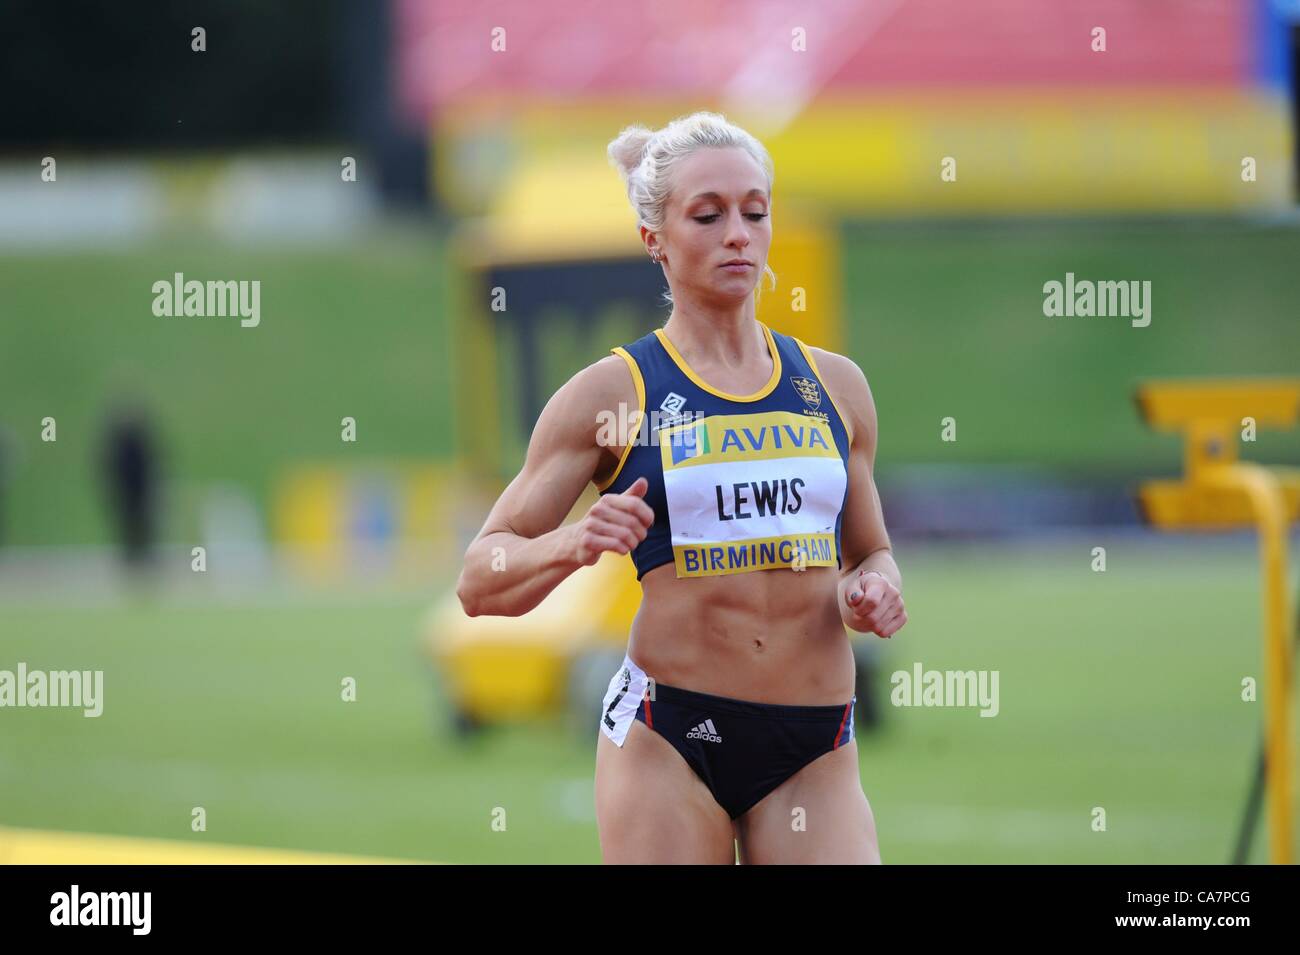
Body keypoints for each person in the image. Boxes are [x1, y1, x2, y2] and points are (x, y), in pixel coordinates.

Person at [456, 111, 906, 864]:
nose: (738, 233)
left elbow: (873, 553)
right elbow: (479, 579)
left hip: (814, 742)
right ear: (653, 238)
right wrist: (574, 541)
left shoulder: (837, 388)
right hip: (668, 738)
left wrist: (878, 587)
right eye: (709, 214)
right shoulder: (612, 393)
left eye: (755, 212)